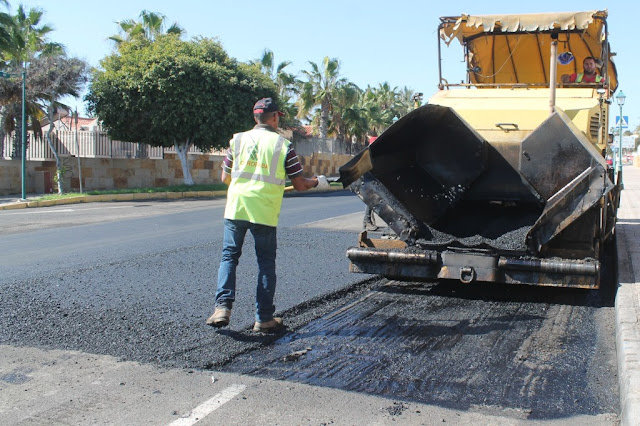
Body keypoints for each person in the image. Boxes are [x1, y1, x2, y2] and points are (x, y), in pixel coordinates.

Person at [206, 97, 329, 332]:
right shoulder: (282, 145)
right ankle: (263, 318)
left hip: (236, 207)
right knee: (265, 263)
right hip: (263, 211)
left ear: (255, 118)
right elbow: (300, 184)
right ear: (274, 118)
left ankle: (222, 307)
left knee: (229, 257)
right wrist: (317, 182)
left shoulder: (238, 140)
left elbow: (225, 178)